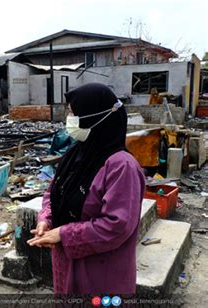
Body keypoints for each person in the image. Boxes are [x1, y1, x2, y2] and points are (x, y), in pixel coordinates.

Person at [27, 83, 145, 294]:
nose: (69, 119)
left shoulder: (121, 166)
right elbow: (53, 193)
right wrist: (47, 220)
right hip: (65, 264)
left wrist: (64, 234)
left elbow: (117, 225)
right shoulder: (76, 154)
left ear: (94, 117)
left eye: (74, 113)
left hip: (100, 272)